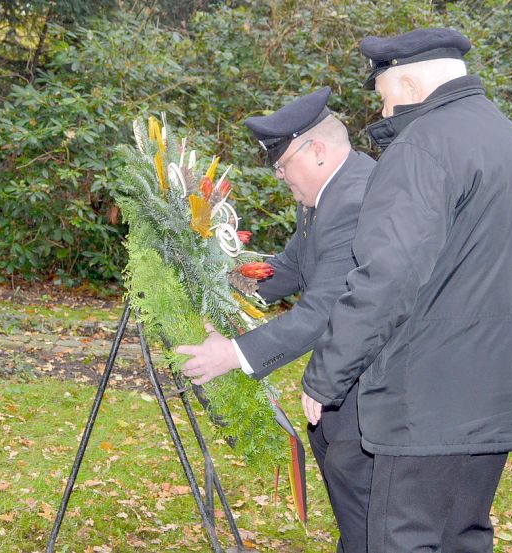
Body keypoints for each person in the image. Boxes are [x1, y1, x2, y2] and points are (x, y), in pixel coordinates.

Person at [300, 28, 512, 553]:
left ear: (410, 83)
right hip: (498, 391)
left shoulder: (422, 145)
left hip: (427, 403)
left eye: (385, 95)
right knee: (462, 536)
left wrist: (326, 378)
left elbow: (384, 279)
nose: (386, 111)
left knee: (405, 538)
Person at [176, 87, 376, 553]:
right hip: (352, 380)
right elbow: (287, 269)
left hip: (373, 383)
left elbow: (326, 308)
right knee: (357, 505)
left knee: (372, 514)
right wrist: (214, 277)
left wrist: (234, 353)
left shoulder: (353, 199)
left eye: (284, 163)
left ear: (319, 150)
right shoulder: (330, 193)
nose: (280, 174)